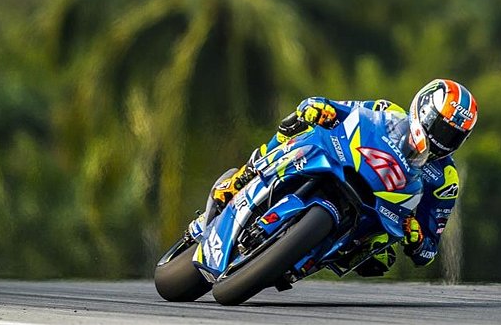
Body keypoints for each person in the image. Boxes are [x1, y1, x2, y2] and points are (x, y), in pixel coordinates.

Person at [193, 78, 478, 277]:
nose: (443, 139)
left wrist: (416, 238)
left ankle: (303, 258)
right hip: (346, 165)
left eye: (453, 135)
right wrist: (322, 108)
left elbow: (428, 251)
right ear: (424, 109)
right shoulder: (386, 111)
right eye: (441, 128)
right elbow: (343, 110)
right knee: (298, 125)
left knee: (380, 257)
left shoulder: (446, 180)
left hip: (381, 211)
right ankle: (244, 176)